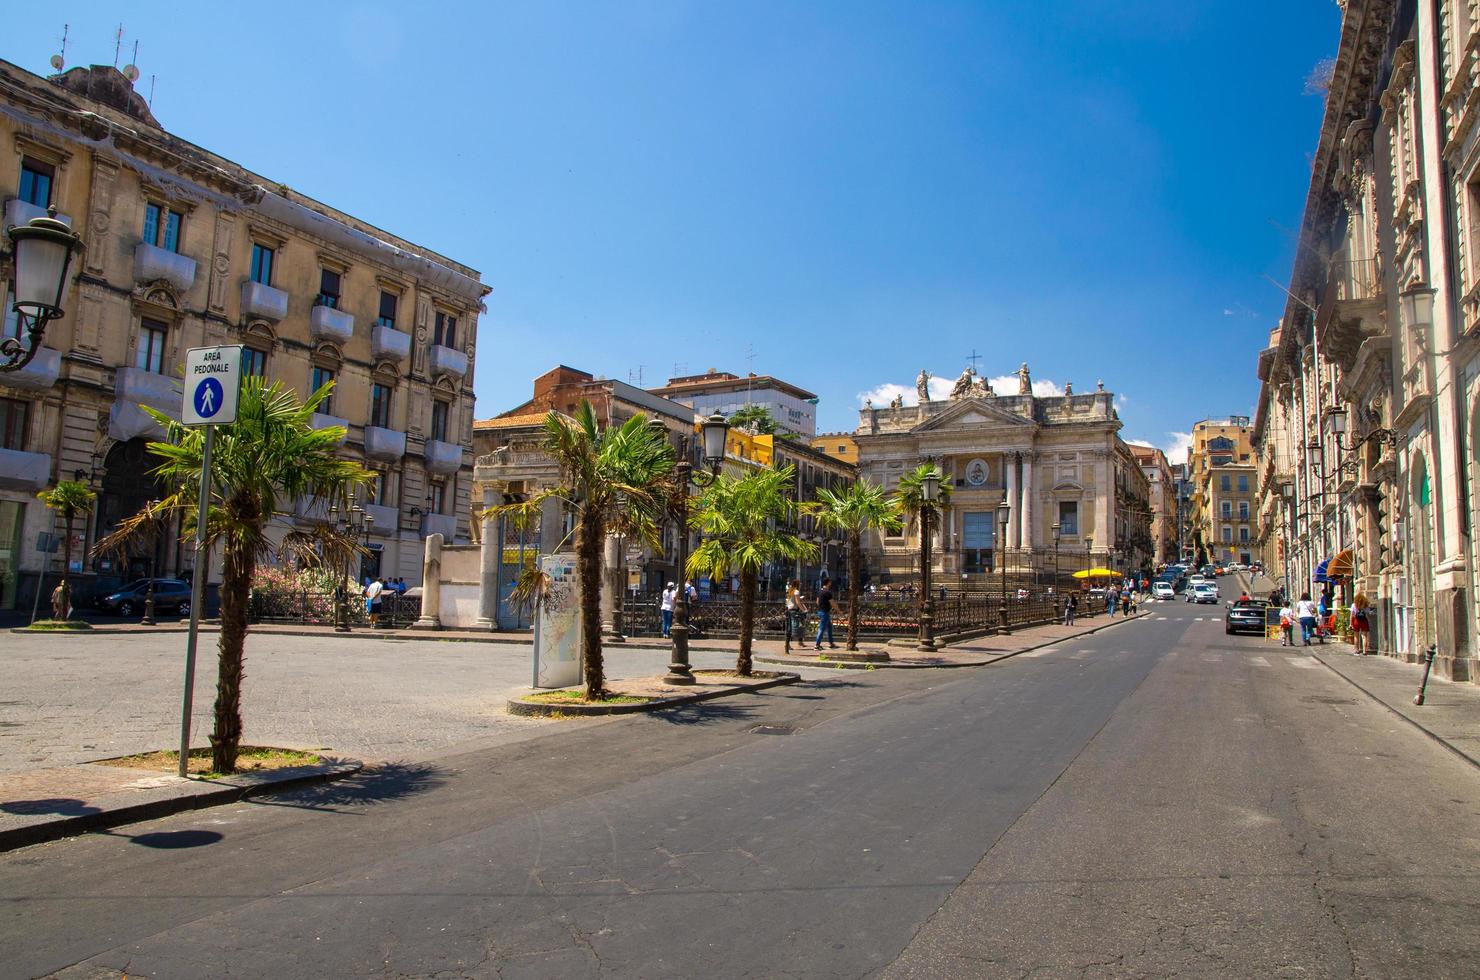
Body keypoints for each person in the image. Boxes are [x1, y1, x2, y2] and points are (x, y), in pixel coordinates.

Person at [814, 577, 837, 650]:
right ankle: (817, 645)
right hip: (825, 612)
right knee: (821, 628)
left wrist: (821, 606)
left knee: (829, 627)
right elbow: (833, 603)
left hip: (820, 611)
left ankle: (831, 643)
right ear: (828, 583)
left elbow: (817, 602)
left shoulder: (819, 591)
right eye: (830, 582)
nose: (831, 583)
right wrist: (839, 611)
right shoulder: (828, 593)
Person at [785, 579, 807, 653]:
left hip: (789, 610)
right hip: (794, 611)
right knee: (798, 627)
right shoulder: (796, 591)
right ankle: (799, 641)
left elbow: (788, 601)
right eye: (799, 584)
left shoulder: (790, 591)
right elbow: (798, 602)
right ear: (797, 585)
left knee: (789, 628)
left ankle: (787, 645)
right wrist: (803, 610)